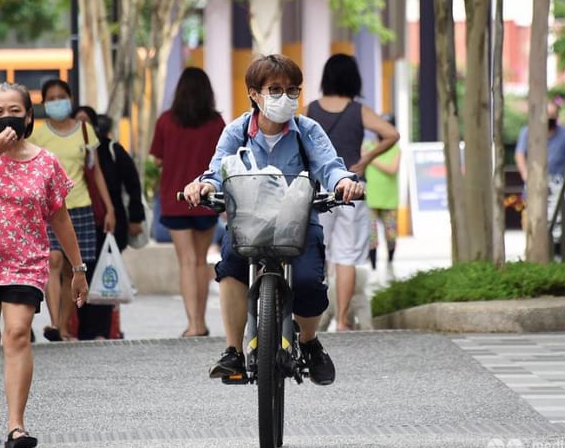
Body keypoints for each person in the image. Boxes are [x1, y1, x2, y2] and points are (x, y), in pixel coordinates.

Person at [183, 54, 363, 385]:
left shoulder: (308, 130)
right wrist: (203, 185)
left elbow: (330, 165)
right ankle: (233, 352)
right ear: (254, 93)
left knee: (309, 282)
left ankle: (309, 343)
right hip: (247, 224)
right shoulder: (236, 130)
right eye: (276, 89)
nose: (286, 97)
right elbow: (218, 169)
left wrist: (343, 183)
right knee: (231, 267)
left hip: (298, 223)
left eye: (293, 90)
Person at [0, 82, 87, 448]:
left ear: (28, 115)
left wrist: (78, 269)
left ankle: (16, 425)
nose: (6, 117)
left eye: (14, 110)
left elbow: (59, 219)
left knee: (19, 334)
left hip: (26, 264)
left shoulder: (46, 162)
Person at [306, 54, 399, 331]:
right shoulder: (358, 110)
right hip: (351, 188)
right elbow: (392, 134)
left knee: (316, 252)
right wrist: (366, 159)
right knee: (346, 256)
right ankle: (343, 320)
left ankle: (314, 316)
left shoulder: (311, 109)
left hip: (318, 189)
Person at [28, 80, 115, 342]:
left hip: (81, 207)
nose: (57, 102)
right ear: (44, 103)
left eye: (61, 97)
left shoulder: (86, 131)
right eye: (51, 98)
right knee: (53, 260)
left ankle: (65, 328)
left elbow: (96, 170)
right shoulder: (37, 135)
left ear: (70, 98)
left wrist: (109, 207)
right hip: (48, 209)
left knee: (71, 270)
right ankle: (54, 323)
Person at [150, 67, 225, 338]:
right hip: (206, 197)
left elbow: (156, 159)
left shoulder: (166, 121)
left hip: (176, 197)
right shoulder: (216, 123)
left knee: (186, 261)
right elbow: (225, 159)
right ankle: (201, 322)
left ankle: (192, 323)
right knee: (201, 260)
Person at [74, 107, 146, 339]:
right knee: (81, 274)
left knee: (102, 273)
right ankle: (79, 327)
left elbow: (133, 184)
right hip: (80, 219)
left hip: (110, 223)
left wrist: (136, 217)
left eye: (86, 121)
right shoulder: (69, 151)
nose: (82, 126)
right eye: (78, 121)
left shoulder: (111, 149)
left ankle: (101, 330)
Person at [514, 100, 565, 243]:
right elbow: (520, 154)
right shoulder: (527, 131)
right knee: (533, 227)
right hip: (534, 189)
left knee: (558, 230)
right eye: (547, 114)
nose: (549, 119)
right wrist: (525, 174)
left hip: (558, 191)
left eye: (553, 115)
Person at [364, 114, 401, 274]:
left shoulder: (396, 149)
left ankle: (390, 262)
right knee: (371, 236)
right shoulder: (367, 144)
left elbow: (392, 169)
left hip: (389, 198)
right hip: (370, 197)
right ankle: (372, 268)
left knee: (391, 235)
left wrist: (371, 157)